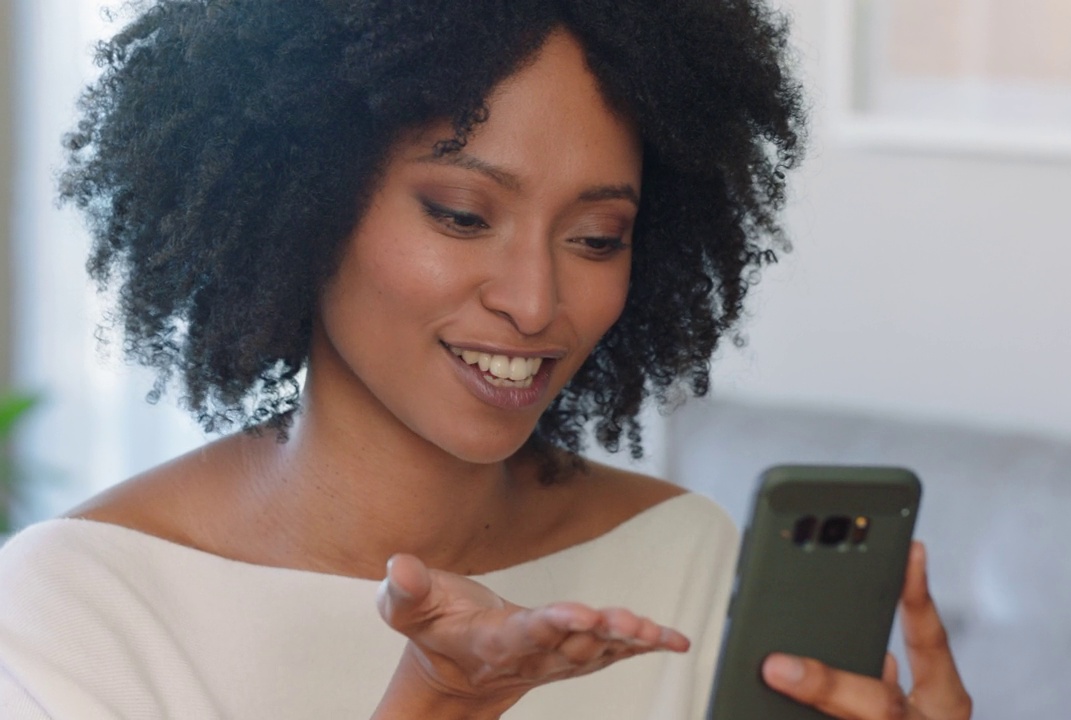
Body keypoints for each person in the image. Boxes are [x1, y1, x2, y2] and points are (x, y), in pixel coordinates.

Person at [0, 1, 973, 718]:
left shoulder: (680, 561)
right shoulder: (83, 605)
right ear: (302, 202)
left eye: (595, 237)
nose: (535, 301)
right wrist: (439, 700)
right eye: (461, 216)